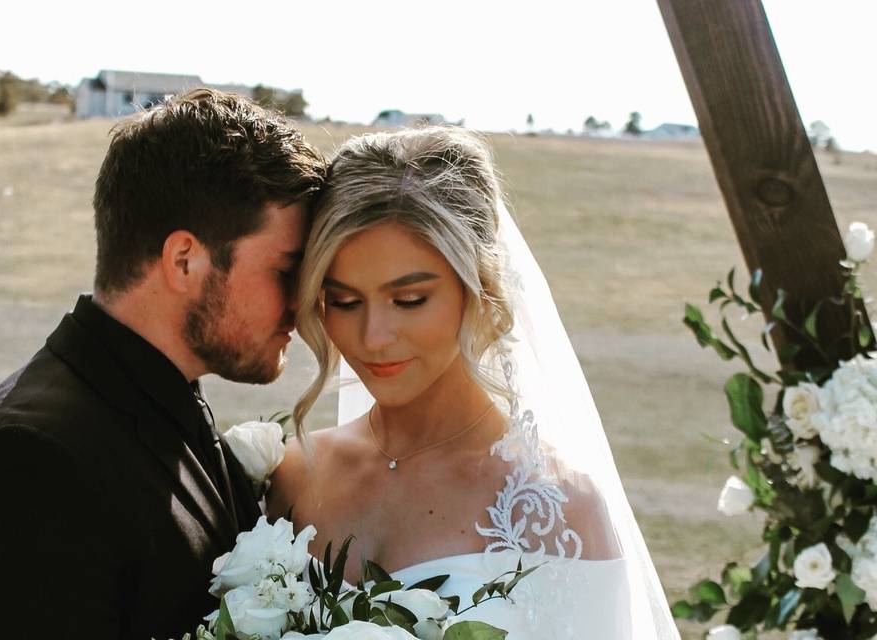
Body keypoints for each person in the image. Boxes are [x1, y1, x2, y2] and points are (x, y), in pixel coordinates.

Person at [0, 89, 326, 639]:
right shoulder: (24, 469)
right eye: (285, 271)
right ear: (185, 261)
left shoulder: (157, 398)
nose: (303, 306)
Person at [268, 127, 679, 637]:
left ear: (480, 289)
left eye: (409, 300)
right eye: (345, 302)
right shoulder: (287, 474)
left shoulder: (559, 511)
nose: (372, 337)